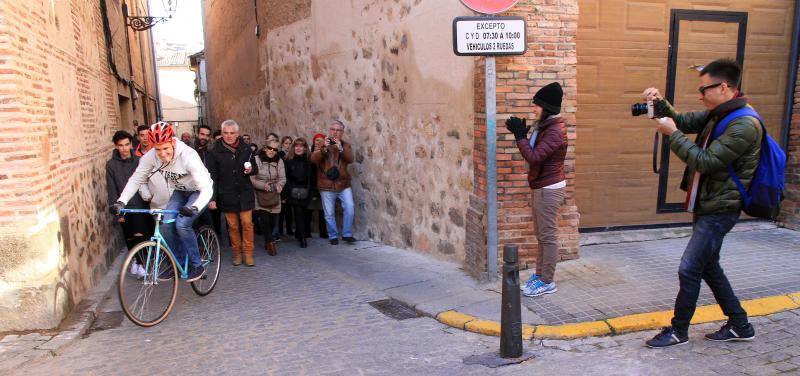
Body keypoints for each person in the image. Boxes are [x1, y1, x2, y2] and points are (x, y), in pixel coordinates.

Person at [642, 58, 759, 348]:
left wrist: (672, 135)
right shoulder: (719, 113)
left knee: (689, 267)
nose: (700, 95)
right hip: (710, 203)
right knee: (709, 267)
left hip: (721, 209)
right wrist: (661, 104)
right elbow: (683, 121)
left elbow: (705, 162)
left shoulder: (744, 124)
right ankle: (740, 325)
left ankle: (678, 331)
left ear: (724, 87)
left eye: (704, 89)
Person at [111, 122, 213, 282]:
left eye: (166, 148)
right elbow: (136, 179)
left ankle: (197, 265)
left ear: (172, 142)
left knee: (182, 224)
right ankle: (177, 265)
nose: (162, 153)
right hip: (179, 191)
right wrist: (121, 202)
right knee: (166, 226)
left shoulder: (188, 155)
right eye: (158, 149)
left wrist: (195, 207)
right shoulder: (150, 156)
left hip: (198, 192)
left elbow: (206, 188)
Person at [505, 82, 568, 298]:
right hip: (542, 186)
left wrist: (519, 137)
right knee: (541, 235)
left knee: (548, 236)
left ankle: (547, 281)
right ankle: (539, 275)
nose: (534, 109)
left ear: (547, 108)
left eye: (537, 105)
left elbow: (534, 157)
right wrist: (523, 134)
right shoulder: (545, 127)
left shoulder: (555, 132)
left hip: (549, 189)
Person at [207, 120, 259, 266]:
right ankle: (237, 253)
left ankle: (248, 253)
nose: (229, 136)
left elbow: (255, 168)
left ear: (237, 133)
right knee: (233, 226)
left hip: (244, 192)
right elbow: (213, 177)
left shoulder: (246, 149)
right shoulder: (214, 152)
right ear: (221, 133)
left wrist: (251, 170)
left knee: (247, 223)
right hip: (227, 193)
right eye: (225, 133)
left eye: (232, 133)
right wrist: (213, 198)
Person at [106, 130, 150, 278]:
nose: (124, 148)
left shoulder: (139, 161)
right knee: (129, 237)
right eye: (120, 145)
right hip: (123, 207)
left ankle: (142, 263)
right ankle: (136, 261)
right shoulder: (111, 165)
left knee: (139, 235)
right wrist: (115, 208)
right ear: (116, 146)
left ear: (131, 144)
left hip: (139, 205)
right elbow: (111, 187)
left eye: (127, 144)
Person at [310, 119, 356, 245]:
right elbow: (313, 159)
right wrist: (323, 148)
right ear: (330, 131)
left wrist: (341, 149)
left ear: (342, 132)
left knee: (350, 207)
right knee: (329, 213)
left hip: (343, 183)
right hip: (326, 184)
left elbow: (350, 159)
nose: (335, 132)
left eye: (338, 130)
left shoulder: (346, 145)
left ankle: (347, 234)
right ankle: (333, 235)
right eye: (333, 129)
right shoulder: (322, 144)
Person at [251, 139, 286, 255]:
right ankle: (270, 242)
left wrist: (280, 185)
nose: (272, 151)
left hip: (274, 193)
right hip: (259, 193)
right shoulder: (256, 159)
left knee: (272, 221)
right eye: (270, 148)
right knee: (264, 219)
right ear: (265, 148)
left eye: (275, 149)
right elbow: (252, 179)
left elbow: (282, 178)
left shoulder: (279, 161)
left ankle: (268, 239)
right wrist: (263, 185)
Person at [284, 138, 313, 248]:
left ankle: (299, 233)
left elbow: (312, 177)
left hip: (307, 191)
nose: (298, 148)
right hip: (294, 191)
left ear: (305, 148)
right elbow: (286, 177)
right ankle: (302, 238)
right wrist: (289, 190)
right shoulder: (288, 160)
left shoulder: (309, 161)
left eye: (301, 146)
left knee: (305, 215)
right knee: (298, 214)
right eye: (296, 146)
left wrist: (312, 191)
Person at [308, 134, 329, 239]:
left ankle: (323, 232)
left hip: (323, 183)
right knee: (309, 208)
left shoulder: (326, 152)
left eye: (320, 140)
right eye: (316, 140)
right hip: (312, 183)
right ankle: (307, 231)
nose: (317, 142)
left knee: (322, 209)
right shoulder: (309, 151)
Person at [278, 135, 295, 238]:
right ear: (282, 144)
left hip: (291, 184)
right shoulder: (280, 155)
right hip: (283, 184)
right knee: (281, 209)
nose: (288, 145)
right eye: (286, 143)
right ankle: (279, 230)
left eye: (290, 143)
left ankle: (289, 229)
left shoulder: (293, 155)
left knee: (289, 209)